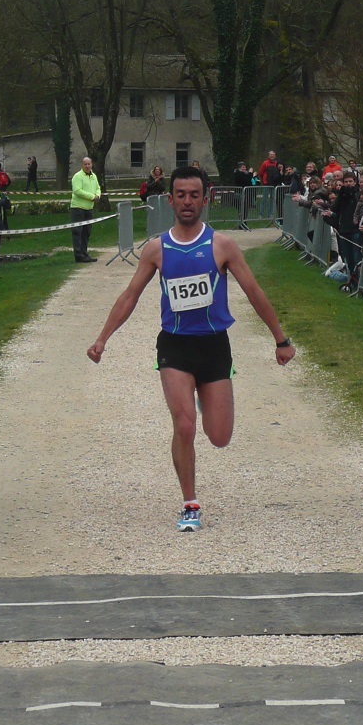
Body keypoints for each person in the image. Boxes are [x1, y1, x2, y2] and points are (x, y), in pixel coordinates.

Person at [87, 166, 295, 530]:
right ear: (170, 200)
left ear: (206, 198)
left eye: (193, 195)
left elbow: (254, 293)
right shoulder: (157, 249)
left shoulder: (222, 246)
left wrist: (280, 340)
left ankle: (207, 395)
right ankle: (190, 504)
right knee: (184, 426)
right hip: (175, 347)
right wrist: (102, 338)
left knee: (219, 437)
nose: (187, 201)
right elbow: (130, 296)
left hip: (215, 347)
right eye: (180, 195)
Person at [71, 156, 101, 263]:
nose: (87, 166)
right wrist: (92, 197)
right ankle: (78, 255)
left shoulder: (93, 176)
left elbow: (98, 188)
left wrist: (97, 195)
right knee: (77, 232)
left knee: (86, 232)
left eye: (89, 164)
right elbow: (77, 191)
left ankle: (84, 253)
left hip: (89, 208)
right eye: (85, 164)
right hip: (78, 208)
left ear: (91, 164)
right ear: (82, 165)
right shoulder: (77, 176)